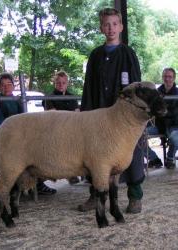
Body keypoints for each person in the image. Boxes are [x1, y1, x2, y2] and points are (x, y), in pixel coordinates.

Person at [79, 8, 144, 214]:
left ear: (121, 27)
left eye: (115, 24)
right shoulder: (95, 55)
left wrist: (135, 114)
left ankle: (135, 196)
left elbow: (136, 86)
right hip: (99, 115)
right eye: (107, 24)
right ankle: (95, 195)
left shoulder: (128, 54)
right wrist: (85, 114)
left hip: (123, 117)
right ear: (101, 28)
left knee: (131, 151)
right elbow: (88, 86)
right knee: (95, 153)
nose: (111, 28)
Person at [0, 73, 55, 200]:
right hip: (3, 139)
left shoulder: (18, 100)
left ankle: (38, 183)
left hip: (20, 137)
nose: (6, 87)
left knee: (39, 148)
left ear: (13, 86)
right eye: (3, 85)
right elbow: (0, 123)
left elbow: (25, 120)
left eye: (9, 84)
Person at [43, 70, 80, 184]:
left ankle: (75, 172)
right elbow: (53, 116)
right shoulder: (49, 98)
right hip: (55, 129)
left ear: (67, 83)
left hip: (72, 129)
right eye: (58, 82)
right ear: (54, 83)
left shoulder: (72, 97)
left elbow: (77, 114)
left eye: (63, 82)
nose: (61, 85)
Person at [147, 68, 178, 169]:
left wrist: (162, 112)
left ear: (174, 78)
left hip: (173, 125)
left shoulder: (177, 93)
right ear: (162, 77)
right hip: (159, 125)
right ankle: (154, 159)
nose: (167, 79)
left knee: (175, 138)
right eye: (165, 76)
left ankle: (170, 158)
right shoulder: (156, 93)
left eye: (170, 77)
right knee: (138, 136)